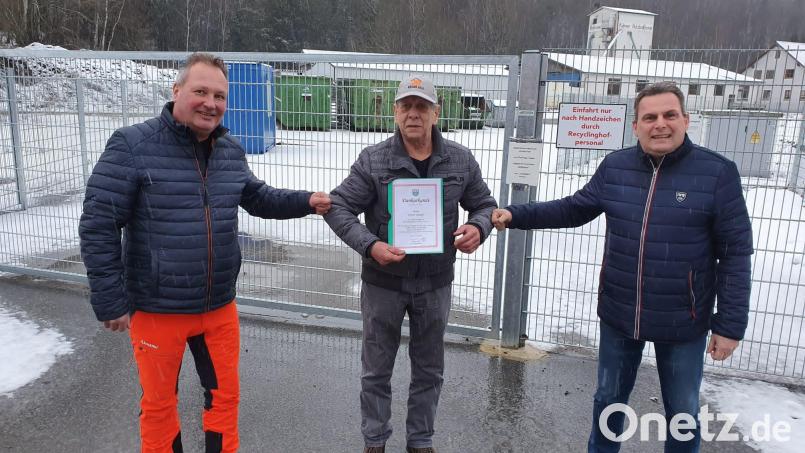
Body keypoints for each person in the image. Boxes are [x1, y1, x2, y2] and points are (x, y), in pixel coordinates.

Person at [78, 52, 330, 453]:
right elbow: (99, 224)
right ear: (177, 91)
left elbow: (257, 197)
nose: (210, 103)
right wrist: (110, 299)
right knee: (160, 406)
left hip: (217, 307)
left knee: (225, 401)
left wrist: (307, 200)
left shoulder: (229, 149)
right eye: (200, 91)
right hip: (158, 309)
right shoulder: (132, 145)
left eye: (219, 95)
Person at [491, 81, 752, 453]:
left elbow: (736, 253)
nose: (659, 124)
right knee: (608, 402)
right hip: (620, 313)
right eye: (650, 117)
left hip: (683, 320)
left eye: (669, 115)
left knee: (682, 413)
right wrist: (515, 214)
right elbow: (574, 208)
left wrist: (729, 325)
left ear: (686, 120)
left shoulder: (717, 174)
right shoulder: (616, 167)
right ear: (636, 126)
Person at [325, 76, 497, 453]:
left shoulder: (460, 160)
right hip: (383, 282)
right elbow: (338, 207)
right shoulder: (374, 159)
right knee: (376, 369)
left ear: (437, 112)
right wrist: (371, 246)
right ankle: (375, 440)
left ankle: (420, 440)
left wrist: (478, 227)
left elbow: (484, 204)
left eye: (422, 107)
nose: (413, 114)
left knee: (429, 368)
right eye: (406, 106)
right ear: (395, 112)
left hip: (435, 283)